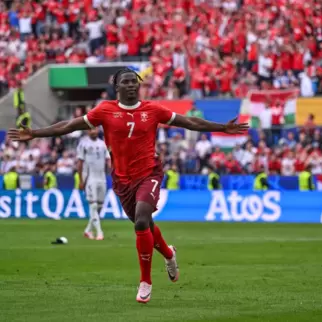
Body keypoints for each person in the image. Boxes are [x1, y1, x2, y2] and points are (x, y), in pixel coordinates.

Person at [7, 68, 249, 303]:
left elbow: (188, 122)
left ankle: (145, 282)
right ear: (117, 87)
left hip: (149, 173)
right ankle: (169, 254)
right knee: (145, 226)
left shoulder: (152, 109)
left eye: (135, 81)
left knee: (142, 220)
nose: (132, 85)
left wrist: (221, 128)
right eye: (126, 82)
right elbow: (68, 125)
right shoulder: (104, 111)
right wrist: (36, 133)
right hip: (122, 180)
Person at [77, 127, 111, 241]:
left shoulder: (103, 144)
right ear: (88, 131)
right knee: (94, 205)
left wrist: (113, 172)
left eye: (95, 129)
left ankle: (87, 230)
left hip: (102, 178)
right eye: (91, 129)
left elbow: (108, 161)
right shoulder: (83, 144)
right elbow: (80, 163)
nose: (93, 131)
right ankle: (99, 232)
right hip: (90, 178)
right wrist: (81, 180)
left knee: (99, 207)